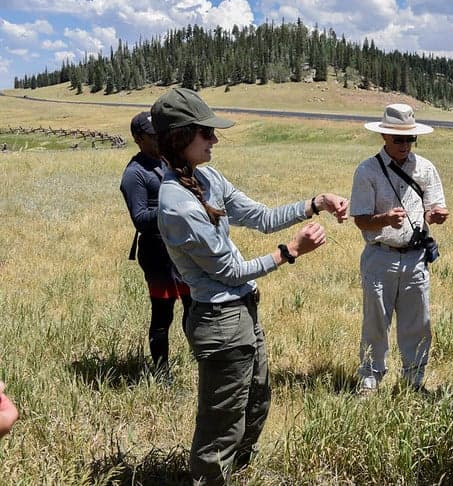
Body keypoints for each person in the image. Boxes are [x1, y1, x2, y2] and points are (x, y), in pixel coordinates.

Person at [151, 87, 348, 486]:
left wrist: (315, 203)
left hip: (242, 313)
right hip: (220, 322)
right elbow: (230, 271)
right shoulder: (177, 204)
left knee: (255, 403)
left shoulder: (207, 177)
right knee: (221, 424)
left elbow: (261, 216)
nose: (214, 139)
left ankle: (237, 473)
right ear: (180, 137)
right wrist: (290, 252)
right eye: (206, 132)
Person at [350, 103, 449, 394]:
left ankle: (413, 381)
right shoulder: (367, 170)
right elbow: (360, 219)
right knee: (375, 323)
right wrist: (384, 219)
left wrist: (436, 215)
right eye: (398, 139)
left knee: (418, 323)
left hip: (416, 257)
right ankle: (370, 380)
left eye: (410, 139)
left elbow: (433, 207)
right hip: (380, 256)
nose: (405, 145)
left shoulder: (425, 168)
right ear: (384, 136)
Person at [120, 112, 192, 378]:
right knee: (163, 315)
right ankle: (162, 374)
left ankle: (201, 357)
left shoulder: (166, 161)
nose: (160, 139)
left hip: (180, 247)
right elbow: (140, 219)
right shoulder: (134, 174)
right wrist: (173, 208)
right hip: (157, 253)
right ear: (138, 138)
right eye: (153, 136)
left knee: (193, 305)